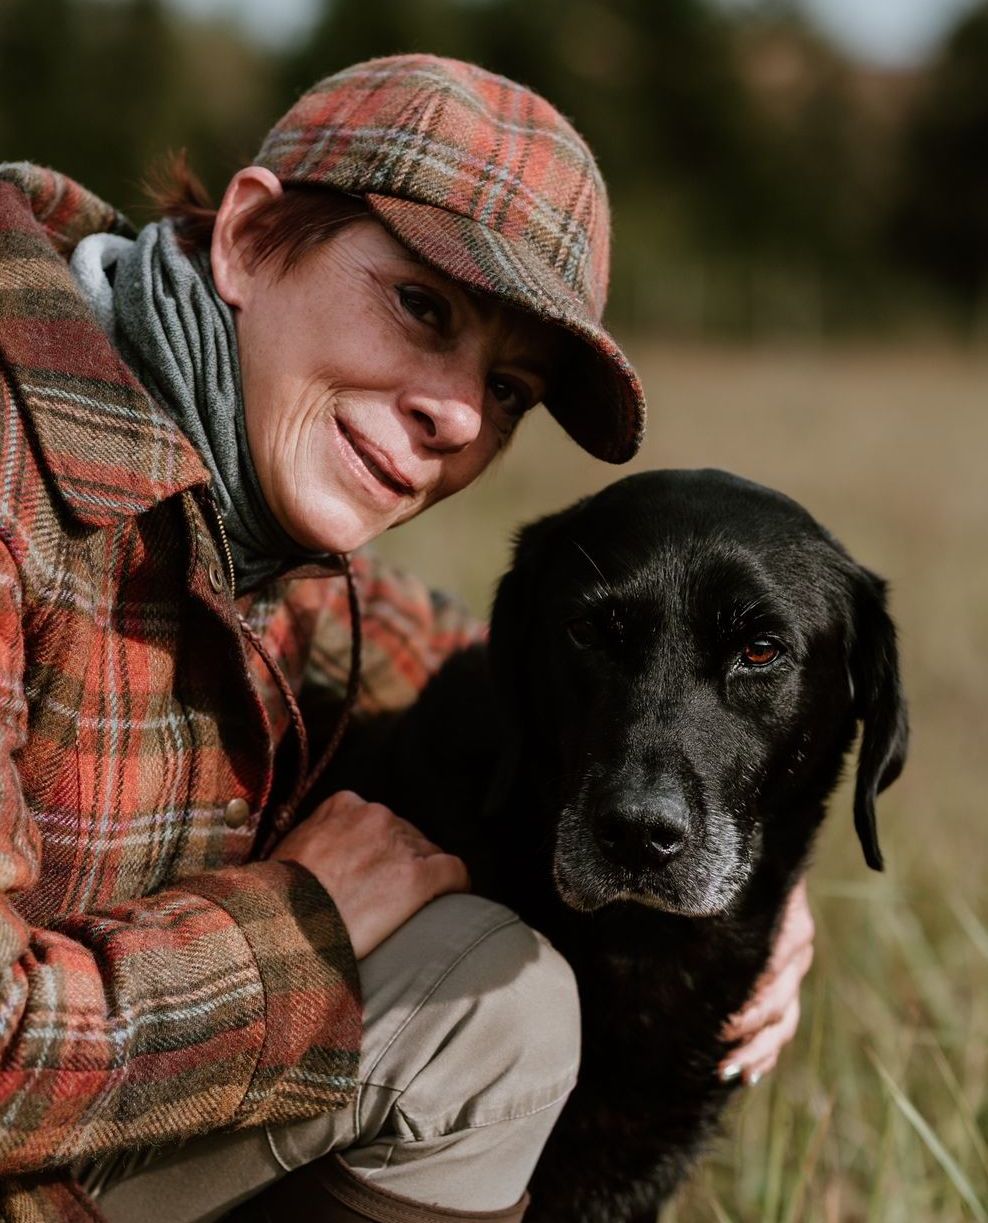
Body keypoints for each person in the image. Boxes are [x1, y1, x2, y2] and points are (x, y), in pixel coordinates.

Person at [0, 55, 815, 1223]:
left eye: (510, 387)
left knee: (483, 998)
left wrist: (732, 838)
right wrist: (297, 924)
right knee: (491, 1009)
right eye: (420, 306)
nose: (459, 413)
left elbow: (531, 668)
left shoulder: (256, 531)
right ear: (249, 238)